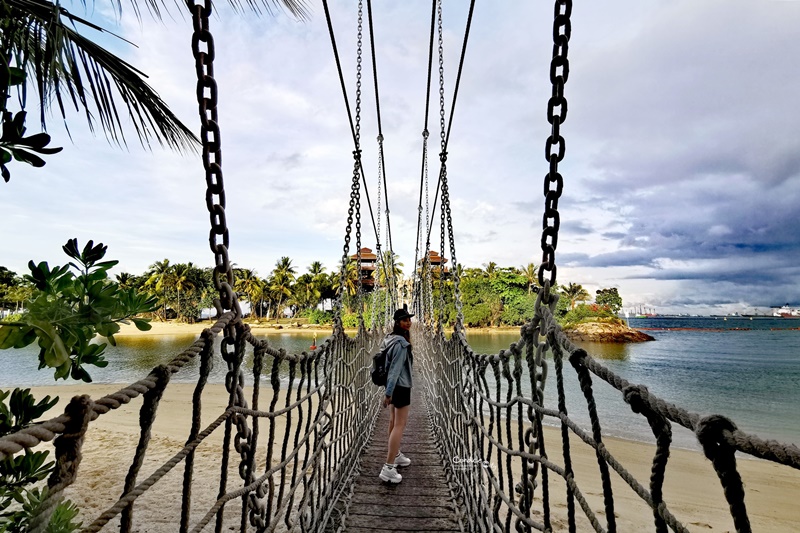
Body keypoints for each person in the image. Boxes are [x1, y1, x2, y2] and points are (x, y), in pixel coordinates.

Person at [378, 304, 414, 484]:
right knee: (400, 424)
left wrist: (388, 390)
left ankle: (396, 455)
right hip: (400, 386)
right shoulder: (401, 344)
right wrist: (389, 392)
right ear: (398, 323)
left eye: (409, 319)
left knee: (393, 421)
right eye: (405, 320)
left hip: (393, 386)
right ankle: (389, 467)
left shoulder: (389, 339)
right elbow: (395, 369)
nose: (408, 323)